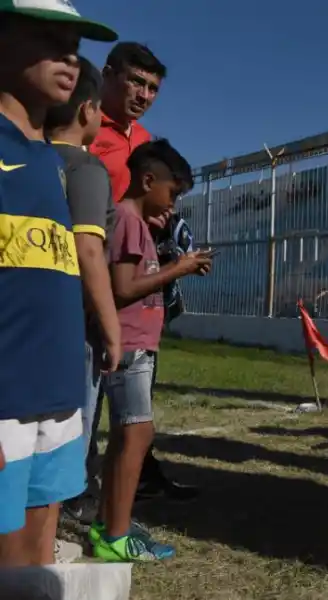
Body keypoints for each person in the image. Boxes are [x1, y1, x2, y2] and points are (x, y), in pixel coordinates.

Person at [0, 1, 118, 567]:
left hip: (59, 390)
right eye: (49, 37)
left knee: (39, 558)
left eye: (75, 43)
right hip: (6, 394)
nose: (69, 55)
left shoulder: (52, 160)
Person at [93, 139, 212, 562]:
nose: (173, 203)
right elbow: (122, 289)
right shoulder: (126, 220)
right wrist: (175, 268)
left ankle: (108, 521)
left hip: (136, 346)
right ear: (148, 181)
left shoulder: (137, 223)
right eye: (173, 193)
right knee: (137, 434)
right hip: (128, 348)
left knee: (129, 436)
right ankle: (116, 535)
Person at [45, 56, 122, 541]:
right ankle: (48, 531)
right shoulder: (87, 169)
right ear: (89, 110)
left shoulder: (28, 157)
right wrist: (111, 330)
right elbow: (89, 250)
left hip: (26, 319)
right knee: (65, 435)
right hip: (71, 324)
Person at [89, 42, 165, 203]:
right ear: (107, 75)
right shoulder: (79, 125)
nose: (144, 96)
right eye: (136, 82)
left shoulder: (144, 138)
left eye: (152, 89)